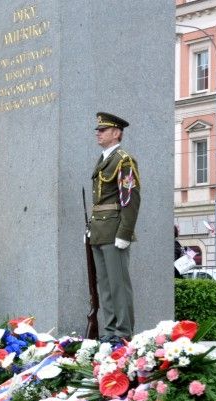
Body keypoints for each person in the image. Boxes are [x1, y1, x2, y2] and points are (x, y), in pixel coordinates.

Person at [89, 112, 140, 344]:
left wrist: (125, 232)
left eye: (103, 129)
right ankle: (109, 331)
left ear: (116, 133)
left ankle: (123, 332)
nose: (98, 133)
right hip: (99, 230)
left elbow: (129, 198)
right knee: (105, 285)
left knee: (118, 284)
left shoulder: (123, 160)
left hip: (114, 230)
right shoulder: (103, 159)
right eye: (98, 130)